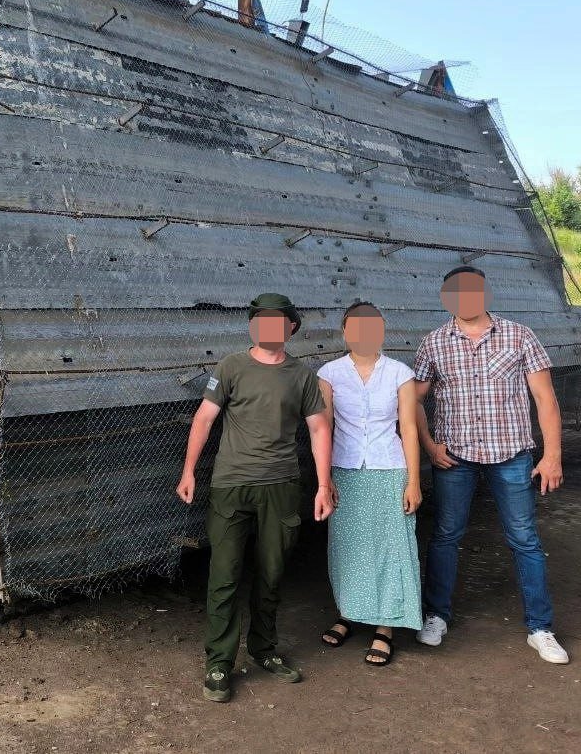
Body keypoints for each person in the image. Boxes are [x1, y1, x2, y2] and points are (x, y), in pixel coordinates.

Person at [177, 292, 334, 703]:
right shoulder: (231, 366)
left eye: (276, 321)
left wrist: (322, 484)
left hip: (281, 486)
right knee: (224, 575)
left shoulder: (302, 376)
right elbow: (204, 418)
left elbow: (319, 430)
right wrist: (189, 470)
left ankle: (264, 650)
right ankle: (219, 662)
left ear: (291, 327)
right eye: (259, 320)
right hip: (231, 485)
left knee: (271, 573)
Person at [412, 266, 568, 664]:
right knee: (446, 533)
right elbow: (412, 400)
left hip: (511, 454)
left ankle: (541, 628)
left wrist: (552, 456)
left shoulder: (519, 335)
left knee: (524, 538)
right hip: (455, 457)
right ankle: (436, 616)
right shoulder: (433, 343)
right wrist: (430, 446)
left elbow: (545, 399)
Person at [315, 303, 422, 666]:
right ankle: (348, 613)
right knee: (349, 546)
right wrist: (324, 478)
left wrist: (414, 480)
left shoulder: (399, 373)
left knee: (391, 548)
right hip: (345, 470)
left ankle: (385, 626)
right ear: (345, 332)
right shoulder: (329, 373)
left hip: (390, 469)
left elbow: (407, 428)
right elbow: (323, 429)